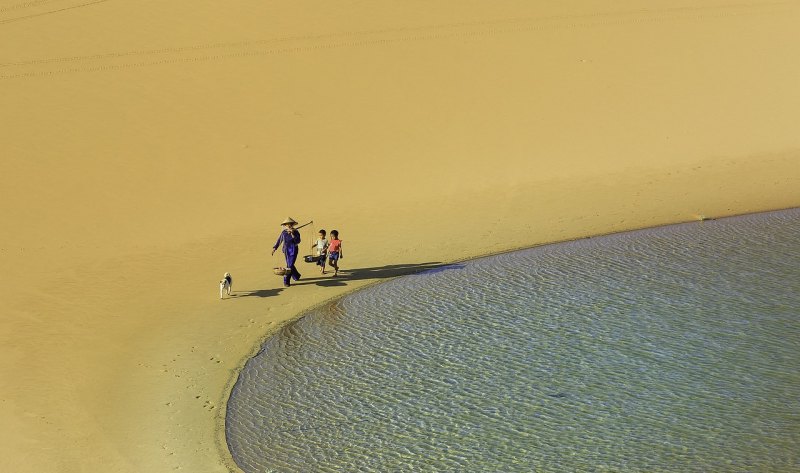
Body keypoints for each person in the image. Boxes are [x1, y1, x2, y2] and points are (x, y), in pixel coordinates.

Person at [271, 217, 302, 287]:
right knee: (290, 264)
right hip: (286, 250)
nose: (289, 225)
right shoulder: (284, 232)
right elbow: (280, 240)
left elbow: (298, 241)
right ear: (285, 225)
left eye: (290, 224)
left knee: (289, 266)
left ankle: (286, 281)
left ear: (292, 224)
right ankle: (296, 276)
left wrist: (292, 234)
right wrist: (274, 248)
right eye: (287, 224)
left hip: (293, 250)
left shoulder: (296, 232)